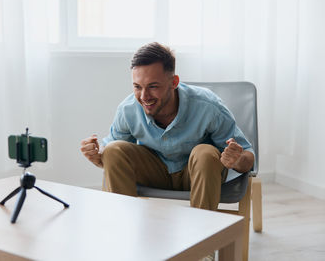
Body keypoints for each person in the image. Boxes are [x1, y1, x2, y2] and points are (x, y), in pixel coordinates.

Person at [80, 42, 254, 211]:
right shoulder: (128, 109)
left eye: (153, 86)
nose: (144, 96)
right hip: (154, 174)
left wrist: (236, 159)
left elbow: (248, 157)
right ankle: (125, 231)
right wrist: (98, 155)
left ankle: (203, 234)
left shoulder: (208, 106)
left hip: (198, 175)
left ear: (174, 82)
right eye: (137, 87)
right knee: (112, 149)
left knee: (205, 153)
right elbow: (111, 156)